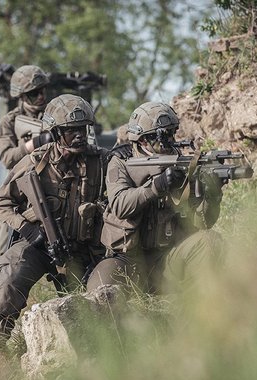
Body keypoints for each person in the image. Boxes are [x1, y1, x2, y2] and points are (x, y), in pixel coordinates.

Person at [0, 94, 108, 345]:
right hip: (37, 245)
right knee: (10, 280)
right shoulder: (36, 161)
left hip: (78, 251)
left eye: (82, 129)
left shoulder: (101, 161)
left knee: (89, 310)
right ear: (57, 133)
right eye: (71, 131)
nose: (79, 135)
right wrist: (26, 229)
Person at [86, 102, 224, 293]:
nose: (169, 140)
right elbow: (120, 204)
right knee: (99, 288)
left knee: (209, 241)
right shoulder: (121, 162)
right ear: (142, 140)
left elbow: (203, 222)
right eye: (161, 136)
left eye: (171, 133)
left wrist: (213, 196)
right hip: (127, 261)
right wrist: (156, 187)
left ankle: (205, 310)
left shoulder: (183, 164)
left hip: (168, 258)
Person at [0, 64, 53, 259]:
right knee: (4, 251)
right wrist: (34, 144)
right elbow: (7, 158)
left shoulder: (56, 113)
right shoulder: (9, 122)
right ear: (21, 97)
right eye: (34, 93)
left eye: (43, 90)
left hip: (54, 184)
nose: (41, 96)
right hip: (22, 190)